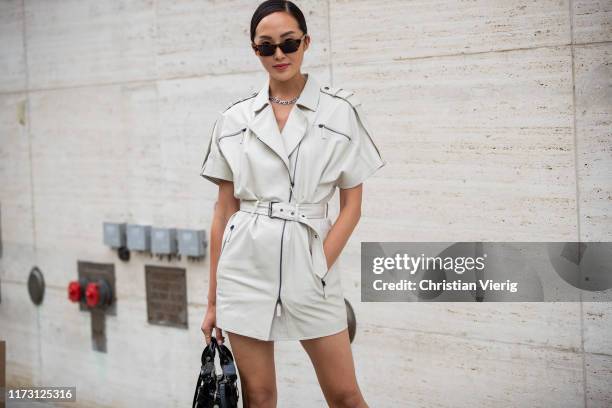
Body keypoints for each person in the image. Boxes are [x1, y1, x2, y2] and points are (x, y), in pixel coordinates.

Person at [199, 1, 386, 406]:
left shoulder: (341, 111)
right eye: (266, 47)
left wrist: (320, 263)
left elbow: (352, 205)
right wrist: (213, 301)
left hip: (310, 263)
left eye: (288, 43)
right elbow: (223, 211)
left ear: (306, 42)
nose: (279, 55)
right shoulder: (233, 119)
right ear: (255, 50)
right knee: (260, 397)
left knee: (345, 395)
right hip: (244, 267)